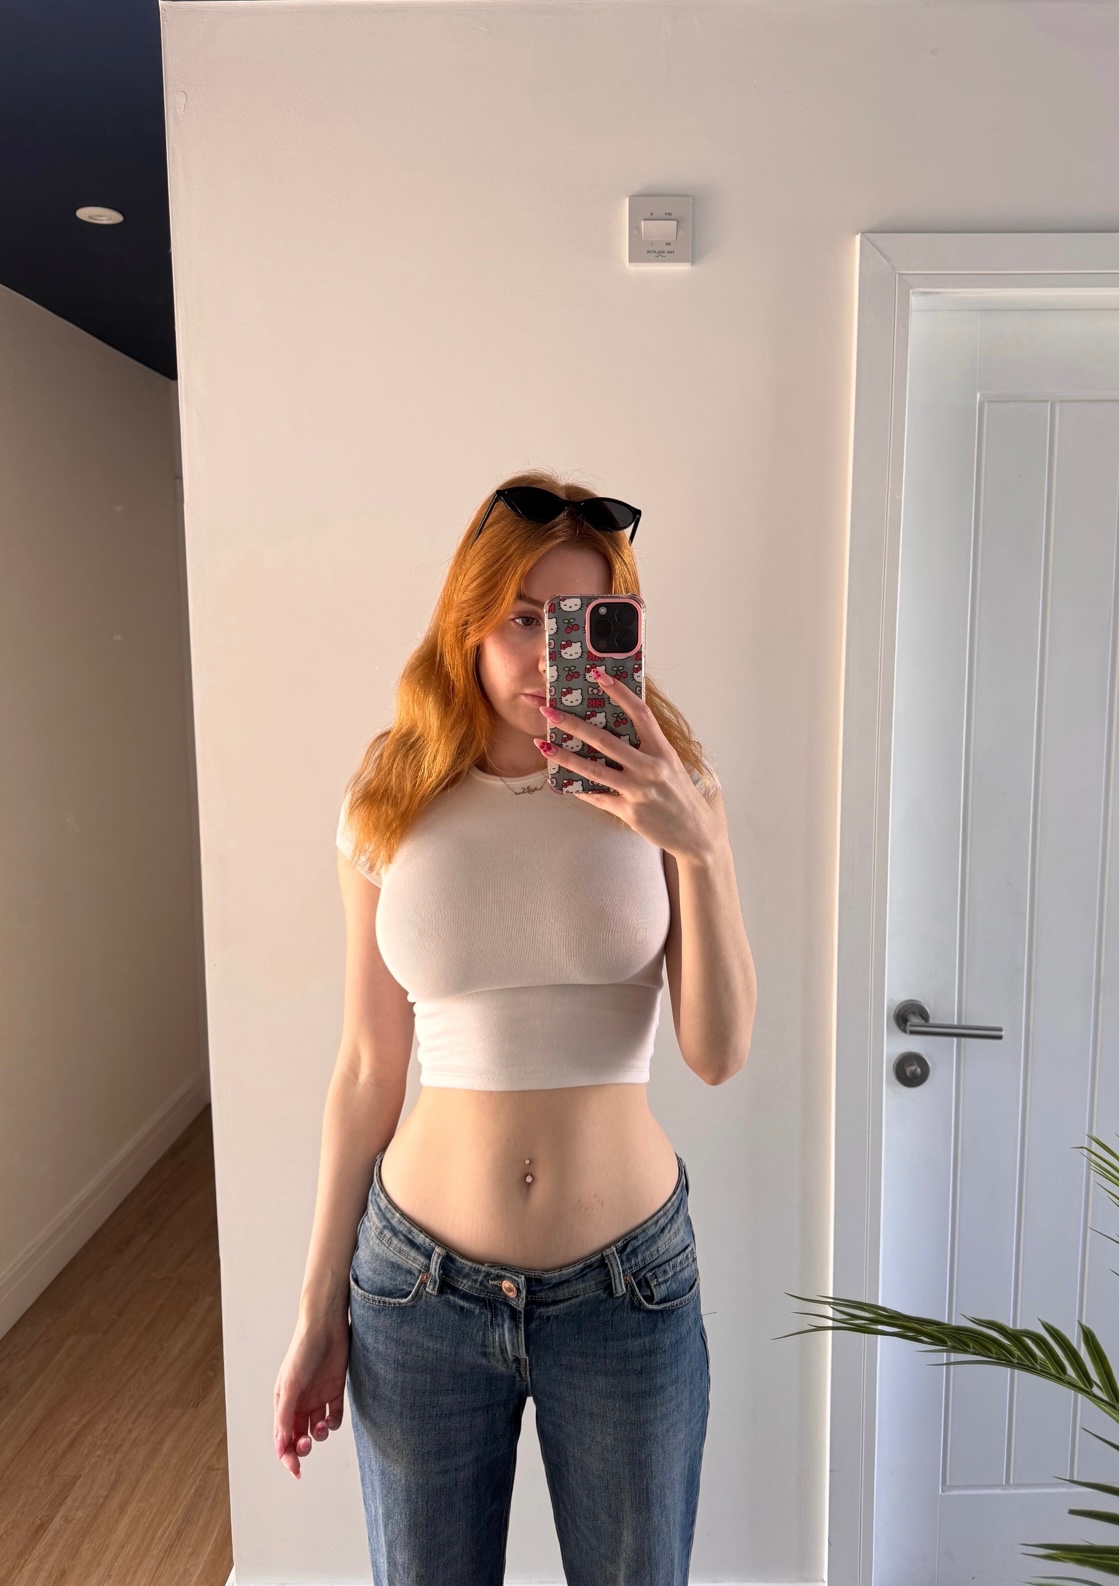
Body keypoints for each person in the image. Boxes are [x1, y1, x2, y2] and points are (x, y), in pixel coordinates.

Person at [272, 470, 757, 1586]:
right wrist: (315, 1305)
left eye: (579, 622)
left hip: (626, 1289)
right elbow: (366, 1066)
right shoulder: (391, 792)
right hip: (414, 1292)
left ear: (621, 630)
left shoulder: (675, 789)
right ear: (469, 622)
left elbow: (719, 1051)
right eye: (524, 619)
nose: (547, 656)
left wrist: (699, 843)